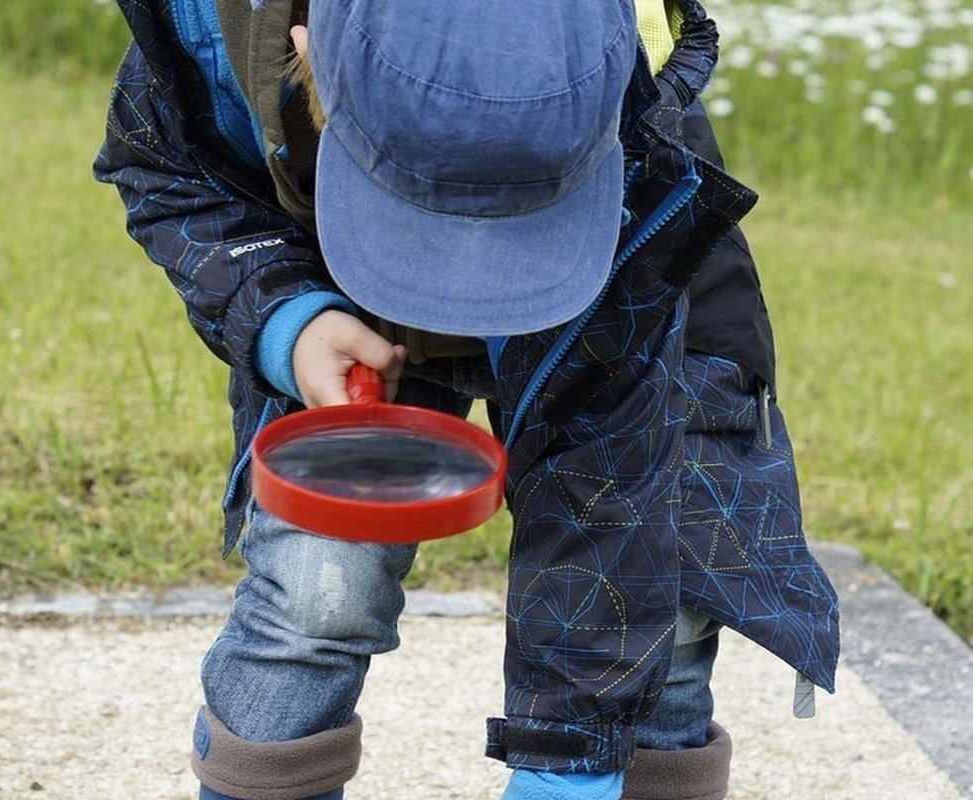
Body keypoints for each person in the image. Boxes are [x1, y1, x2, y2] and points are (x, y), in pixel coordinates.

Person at [94, 0, 841, 798]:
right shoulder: (214, 29)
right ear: (304, 51)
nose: (470, 282)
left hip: (605, 264)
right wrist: (289, 321)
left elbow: (606, 508)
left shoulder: (623, 120)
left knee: (666, 597)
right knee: (318, 589)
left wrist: (569, 777)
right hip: (346, 292)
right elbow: (169, 170)